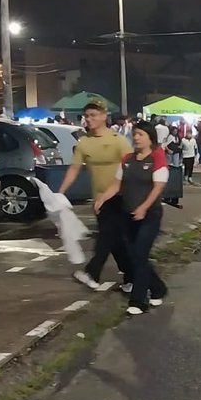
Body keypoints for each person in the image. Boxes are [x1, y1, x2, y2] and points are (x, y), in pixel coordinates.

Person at [93, 121, 170, 315]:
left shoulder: (157, 159)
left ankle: (138, 300)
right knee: (136, 255)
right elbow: (117, 184)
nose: (136, 137)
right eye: (135, 134)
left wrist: (144, 207)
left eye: (140, 134)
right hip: (128, 216)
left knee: (139, 254)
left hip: (149, 215)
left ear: (150, 138)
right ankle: (158, 288)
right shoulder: (127, 160)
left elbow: (158, 188)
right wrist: (102, 198)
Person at [59, 101, 133, 293]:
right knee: (115, 241)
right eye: (87, 116)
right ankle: (132, 277)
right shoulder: (84, 143)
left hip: (120, 196)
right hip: (99, 199)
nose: (89, 119)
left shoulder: (119, 140)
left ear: (103, 116)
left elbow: (131, 167)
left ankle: (93, 272)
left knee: (106, 237)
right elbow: (74, 169)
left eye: (93, 115)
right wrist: (60, 192)